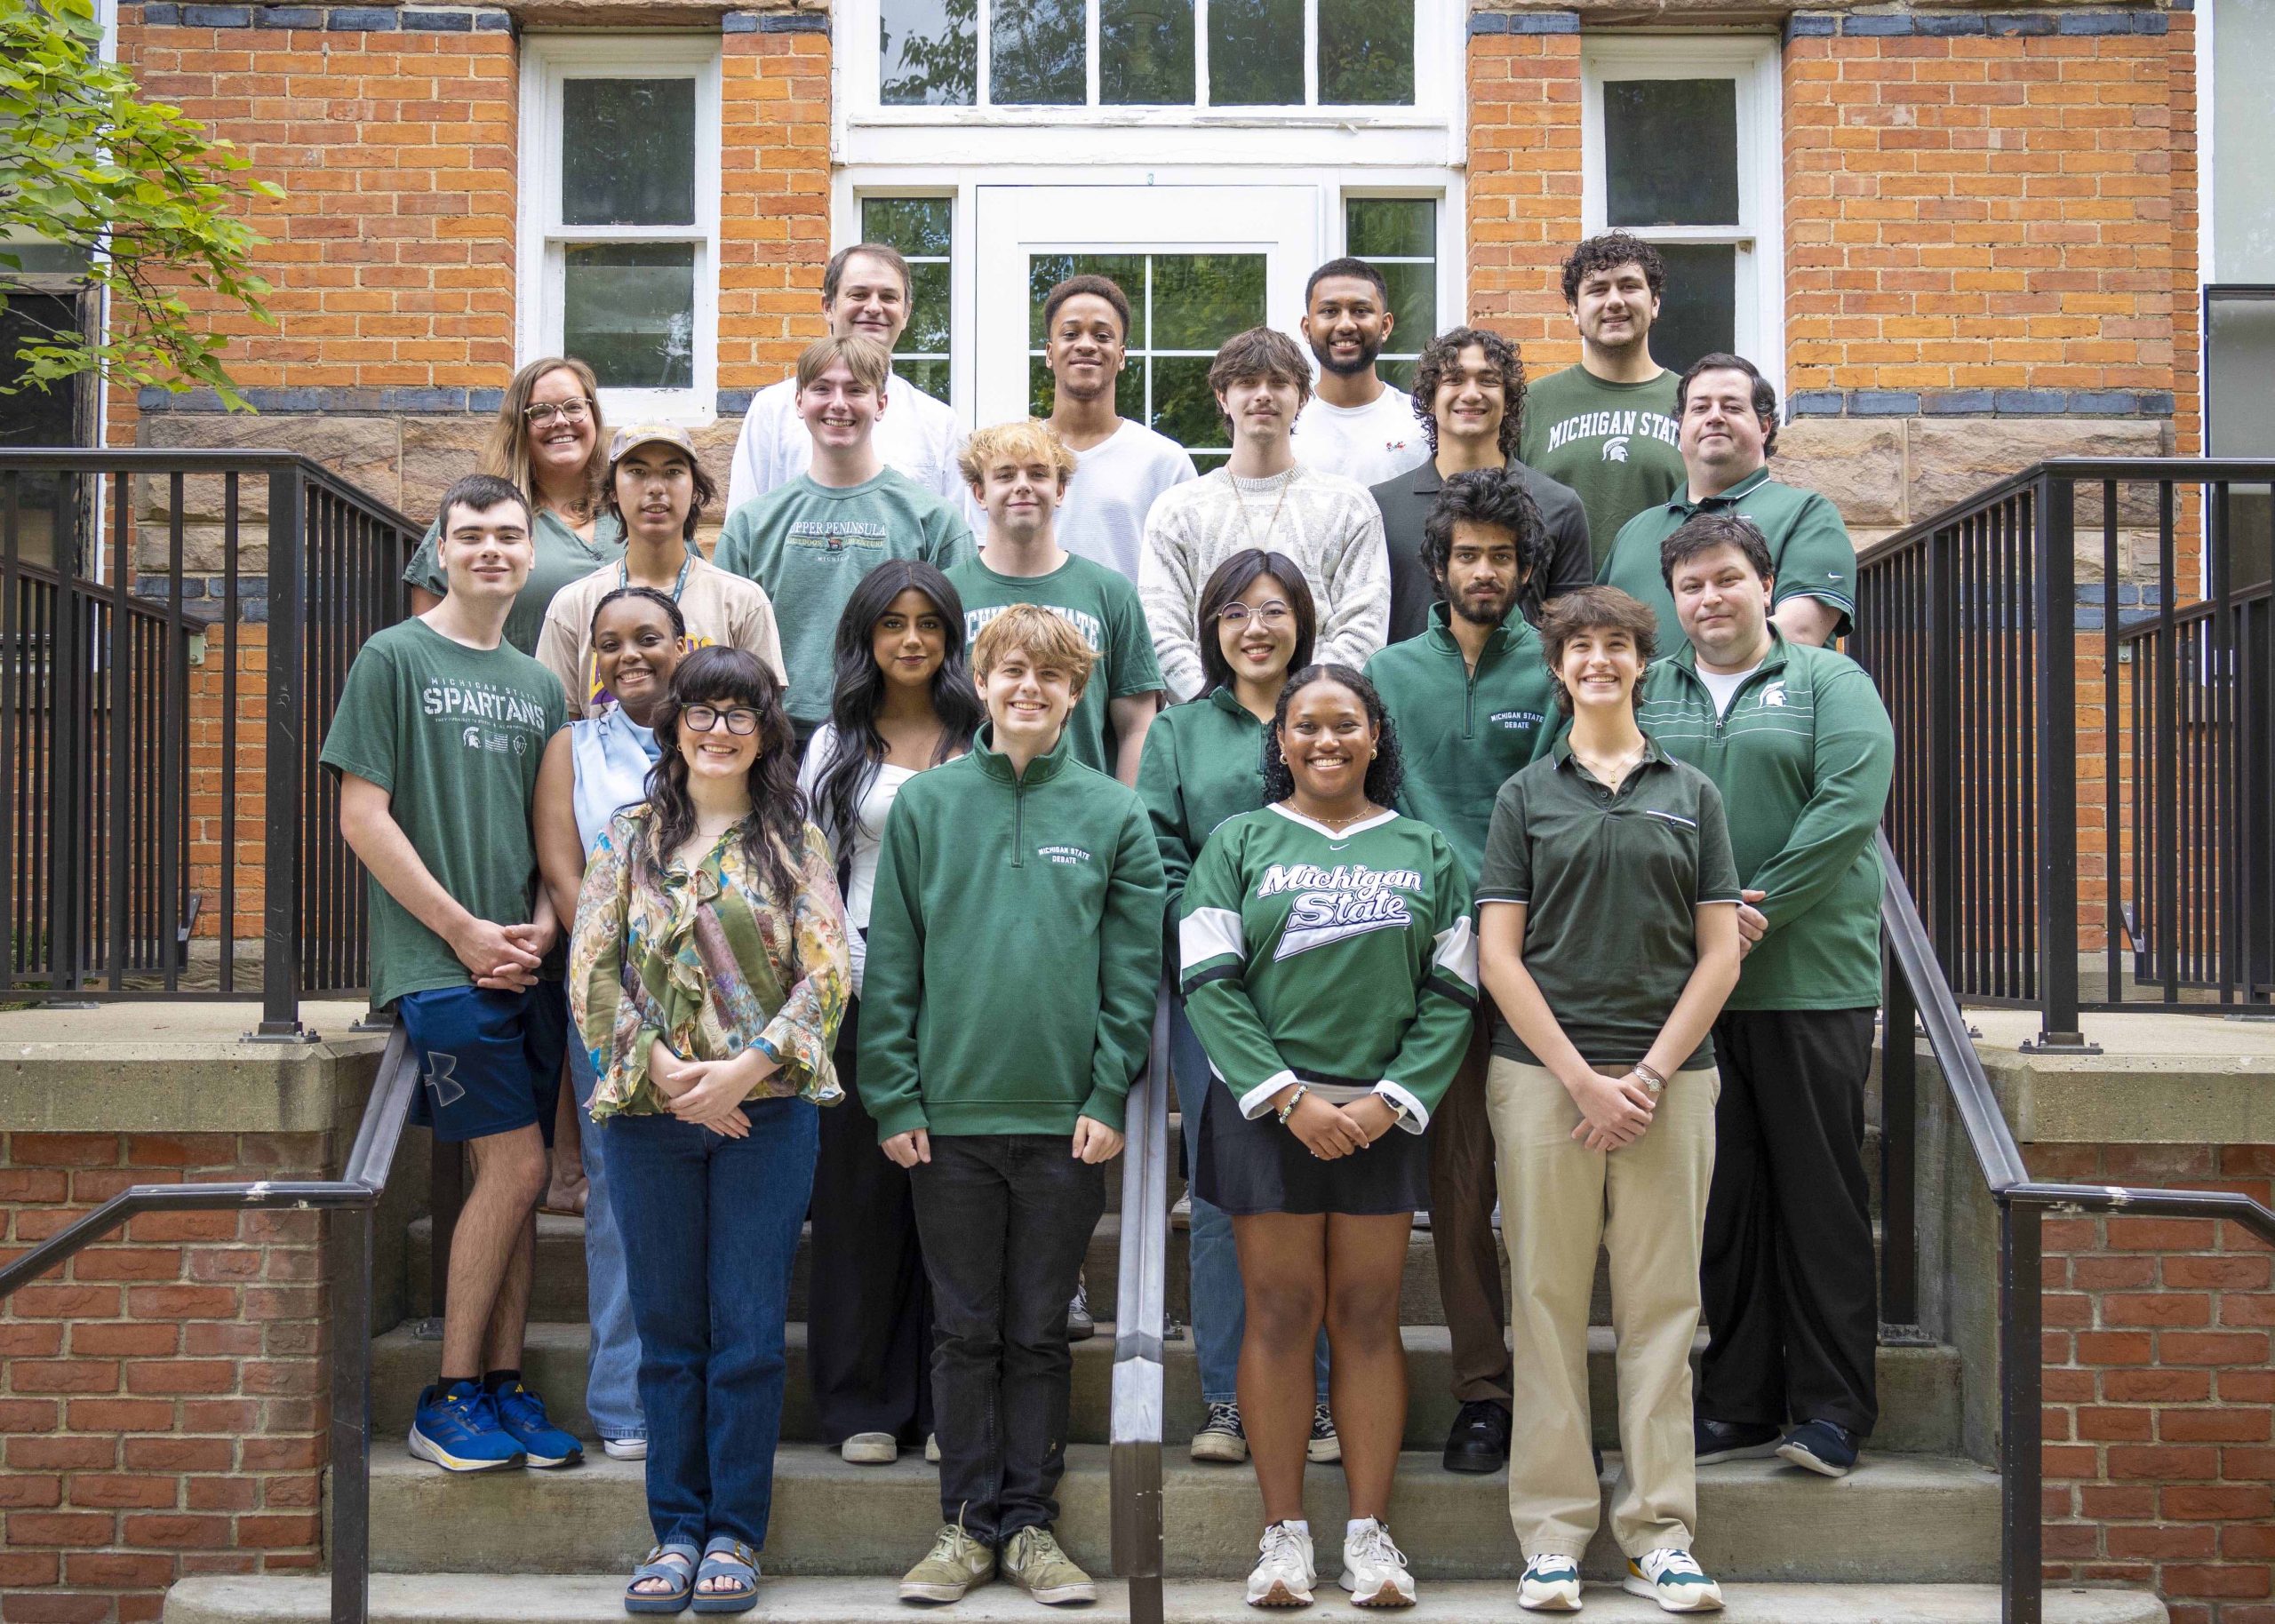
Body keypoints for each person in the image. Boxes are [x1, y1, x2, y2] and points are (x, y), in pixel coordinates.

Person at [861, 604, 1163, 1609]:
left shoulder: (1113, 815)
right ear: (979, 683)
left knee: (1037, 1330)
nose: (1028, 688)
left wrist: (1108, 1087)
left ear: (1075, 694)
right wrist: (895, 1091)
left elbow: (1130, 973)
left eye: (1049, 676)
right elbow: (893, 961)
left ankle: (1030, 1525)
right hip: (944, 1118)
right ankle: (963, 1527)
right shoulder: (925, 808)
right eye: (1009, 672)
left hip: (1063, 1121)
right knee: (963, 1329)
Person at [1181, 664, 1476, 1611]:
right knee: (1276, 1311)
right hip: (1270, 1112)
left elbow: (1454, 990)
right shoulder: (1237, 842)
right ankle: (1281, 1537)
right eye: (1304, 725)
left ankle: (1368, 1534)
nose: (1324, 740)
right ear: (1281, 741)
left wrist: (1391, 1098)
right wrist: (1286, 1096)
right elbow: (1208, 980)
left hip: (1381, 1113)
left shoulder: (1427, 849)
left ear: (1375, 736)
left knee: (1364, 1313)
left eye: (1344, 723)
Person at [1474, 585, 1742, 1615]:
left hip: (1671, 1081)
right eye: (1578, 647)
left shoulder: (1694, 792)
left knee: (1663, 1311)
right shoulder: (1524, 796)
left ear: (1643, 662)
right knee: (1541, 1305)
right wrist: (1585, 1079)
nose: (1597, 661)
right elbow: (1500, 955)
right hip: (1544, 1083)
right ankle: (1550, 1536)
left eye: (1615, 646)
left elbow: (1718, 953)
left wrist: (1645, 1077)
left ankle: (1659, 1534)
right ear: (1556, 667)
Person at [569, 648, 851, 1614]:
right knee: (668, 1333)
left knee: (745, 1333)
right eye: (703, 710)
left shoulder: (793, 841)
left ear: (768, 728)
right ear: (673, 722)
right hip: (650, 1120)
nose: (719, 728)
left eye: (742, 712)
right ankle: (673, 1530)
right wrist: (664, 1072)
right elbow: (591, 967)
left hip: (763, 1120)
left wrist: (740, 1071)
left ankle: (734, 1530)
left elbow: (829, 974)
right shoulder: (630, 837)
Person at [323, 473, 581, 1476]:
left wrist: (549, 928)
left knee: (506, 1182)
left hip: (527, 963)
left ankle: (506, 1383)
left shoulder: (537, 685)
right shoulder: (393, 656)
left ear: (529, 551)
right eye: (470, 534)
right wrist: (465, 932)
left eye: (508, 535)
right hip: (439, 964)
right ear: (440, 548)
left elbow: (550, 833)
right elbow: (362, 816)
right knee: (519, 1168)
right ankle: (449, 1395)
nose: (490, 550)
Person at [1636, 513, 1895, 1481]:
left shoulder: (1830, 681)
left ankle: (1830, 1407)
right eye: (1692, 585)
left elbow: (1846, 806)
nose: (1710, 599)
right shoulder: (1650, 688)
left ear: (1764, 582)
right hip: (1684, 996)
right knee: (1722, 1201)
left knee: (1819, 1196)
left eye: (1727, 579)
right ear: (1674, 599)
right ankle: (1737, 1399)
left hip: (1807, 981)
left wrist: (1752, 909)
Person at [1363, 466, 1558, 1476]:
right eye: (1466, 555)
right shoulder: (1388, 676)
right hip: (1423, 965)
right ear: (1435, 568)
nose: (1484, 571)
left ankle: (1540, 1387)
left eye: (1502, 556)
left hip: (1541, 965)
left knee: (1539, 1189)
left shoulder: (1559, 670)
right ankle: (1481, 1391)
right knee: (1458, 1180)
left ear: (1526, 569)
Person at [1135, 550, 1337, 1469]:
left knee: (1321, 1192)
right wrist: (1220, 948)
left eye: (1270, 609)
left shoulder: (1334, 711)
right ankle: (1226, 1395)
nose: (1253, 628)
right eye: (1231, 613)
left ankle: (1321, 1399)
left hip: (1333, 987)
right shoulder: (1181, 733)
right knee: (1221, 1195)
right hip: (1216, 994)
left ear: (1301, 618)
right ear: (1211, 630)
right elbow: (1158, 860)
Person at [794, 561, 983, 1467]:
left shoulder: (983, 735)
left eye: (930, 623)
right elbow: (806, 877)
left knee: (954, 1208)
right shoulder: (836, 742)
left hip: (972, 1006)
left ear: (951, 636)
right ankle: (862, 1401)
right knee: (860, 1206)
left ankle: (952, 1404)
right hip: (862, 1000)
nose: (912, 639)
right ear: (866, 637)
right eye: (892, 623)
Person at [533, 585, 691, 1466]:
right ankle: (624, 1400)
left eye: (648, 638)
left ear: (682, 641)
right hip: (609, 992)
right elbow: (564, 873)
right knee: (620, 1194)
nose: (630, 656)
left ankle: (695, 1389)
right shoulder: (573, 748)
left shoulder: (721, 731)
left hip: (717, 997)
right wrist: (624, 972)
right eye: (610, 643)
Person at [715, 334, 975, 745]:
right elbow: (723, 646)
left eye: (856, 390)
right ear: (799, 402)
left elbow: (961, 645)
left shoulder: (933, 519)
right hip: (775, 739)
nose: (839, 403)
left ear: (881, 404)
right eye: (822, 388)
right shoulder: (752, 524)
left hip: (896, 735)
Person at [1141, 326, 1390, 702]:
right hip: (1207, 726)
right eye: (1246, 383)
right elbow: (1160, 630)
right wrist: (1217, 708)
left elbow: (1363, 629)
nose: (1263, 395)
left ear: (1303, 397)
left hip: (1316, 728)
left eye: (1278, 382)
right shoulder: (1177, 510)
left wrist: (1301, 707)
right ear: (1222, 397)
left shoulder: (1348, 506)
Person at [949, 419, 1164, 785]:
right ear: (979, 493)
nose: (1022, 486)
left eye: (1038, 473)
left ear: (1061, 489)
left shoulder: (1110, 593)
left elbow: (1136, 727)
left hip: (1080, 814)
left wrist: (1122, 814)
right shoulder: (947, 593)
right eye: (1004, 475)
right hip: (970, 808)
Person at [1597, 354, 1856, 657]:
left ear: (1764, 426)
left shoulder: (1806, 514)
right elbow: (1599, 639)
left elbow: (1800, 632)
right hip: (1643, 706)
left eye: (1732, 407)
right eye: (1700, 408)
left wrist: (1681, 681)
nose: (1715, 417)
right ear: (1680, 428)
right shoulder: (1634, 532)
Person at [537, 424, 785, 718]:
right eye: (638, 472)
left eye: (672, 472)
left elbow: (764, 721)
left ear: (695, 489)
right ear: (613, 491)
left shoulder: (742, 602)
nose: (656, 488)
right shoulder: (573, 605)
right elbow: (559, 727)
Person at [1370, 327, 1594, 642]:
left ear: (1509, 400)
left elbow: (1573, 635)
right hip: (1407, 690)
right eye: (1454, 380)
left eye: (1488, 380)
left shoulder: (1559, 505)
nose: (1472, 393)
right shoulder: (1381, 507)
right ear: (1431, 399)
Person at [403, 355, 626, 655]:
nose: (560, 421)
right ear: (519, 426)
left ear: (594, 416)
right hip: (520, 698)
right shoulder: (478, 515)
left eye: (574, 407)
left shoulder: (631, 509)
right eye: (542, 411)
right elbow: (427, 646)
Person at [723, 242, 965, 510]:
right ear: (828, 306)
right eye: (859, 295)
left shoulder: (938, 423)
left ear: (906, 312)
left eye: (888, 297)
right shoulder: (772, 410)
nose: (874, 307)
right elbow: (742, 526)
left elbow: (957, 542)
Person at [1520, 235, 1687, 567]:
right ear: (1574, 310)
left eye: (1629, 287)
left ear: (1654, 303)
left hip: (1668, 609)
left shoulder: (1694, 402)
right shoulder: (1529, 405)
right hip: (1555, 612)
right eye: (1597, 290)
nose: (1614, 301)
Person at [1031, 273, 1198, 581]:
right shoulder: (1012, 458)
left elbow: (1189, 576)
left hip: (1129, 629)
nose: (1086, 345)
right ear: (1049, 354)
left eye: (1102, 336)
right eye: (1070, 334)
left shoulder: (1164, 462)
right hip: (1029, 629)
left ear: (1121, 357)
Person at [1289, 257, 1429, 490]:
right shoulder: (1285, 424)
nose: (1345, 325)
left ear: (1385, 326)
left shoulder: (1419, 422)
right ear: (1307, 328)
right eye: (1330, 311)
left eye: (1360, 311)